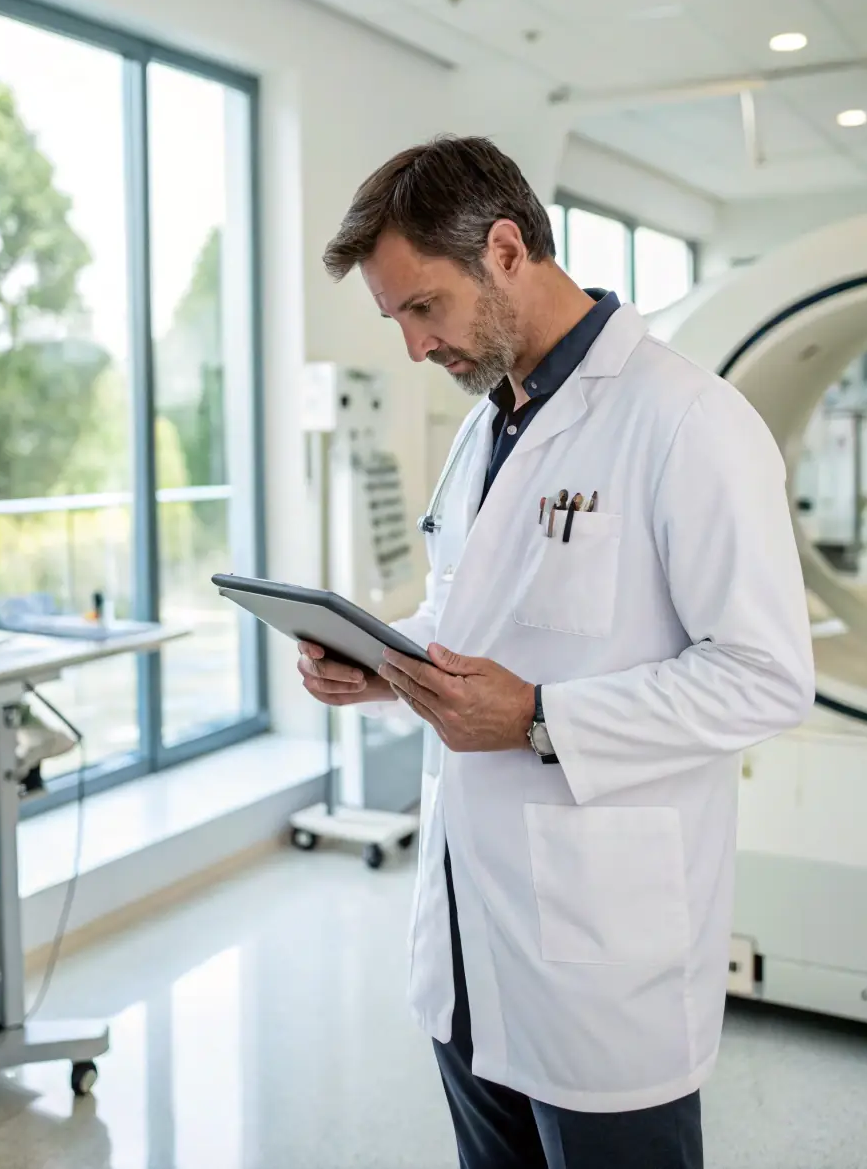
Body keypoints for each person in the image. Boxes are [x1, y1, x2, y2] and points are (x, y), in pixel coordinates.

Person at [296, 136, 814, 1169]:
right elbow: (472, 631)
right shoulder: (486, 426)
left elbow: (765, 676)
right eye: (396, 319)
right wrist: (384, 667)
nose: (414, 347)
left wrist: (541, 717)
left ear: (504, 249)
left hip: (599, 960)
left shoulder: (689, 420)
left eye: (424, 307)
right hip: (466, 948)